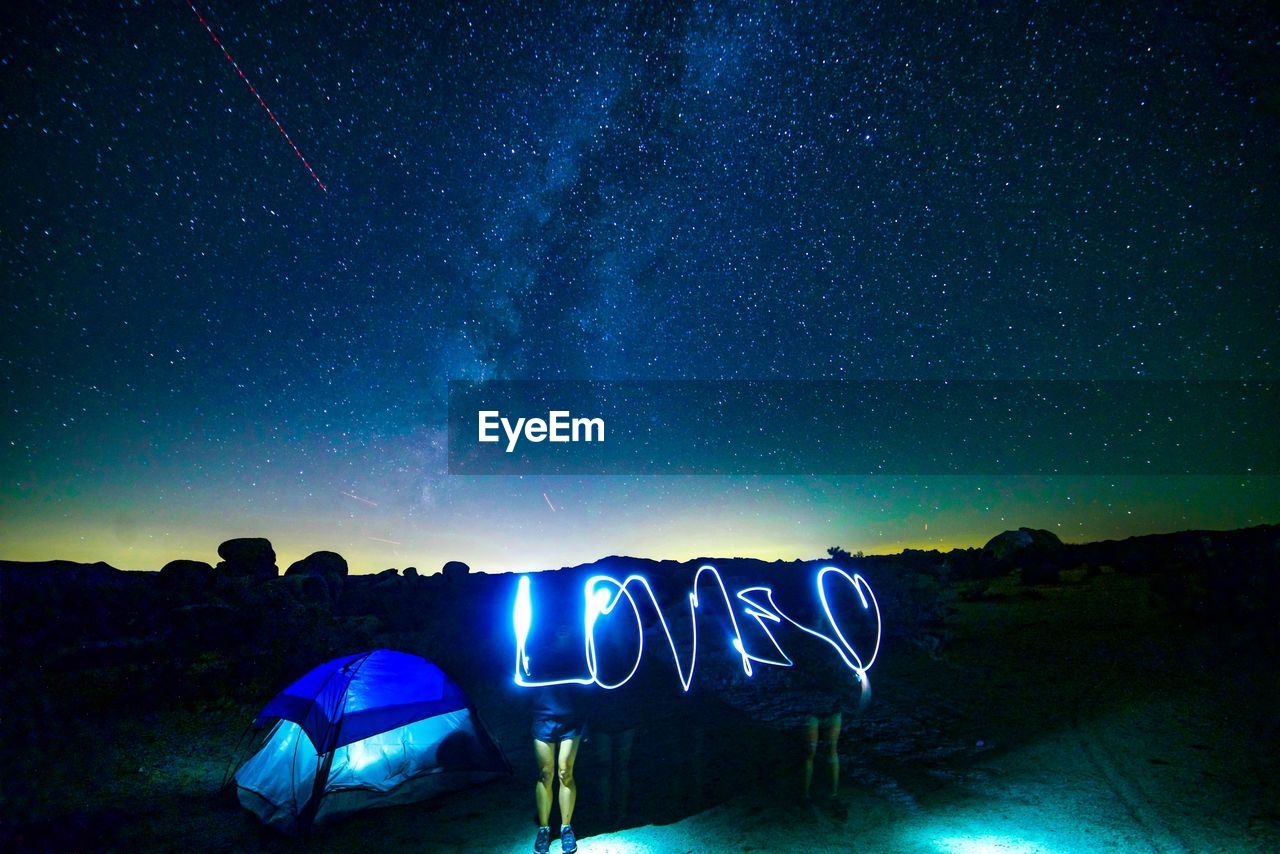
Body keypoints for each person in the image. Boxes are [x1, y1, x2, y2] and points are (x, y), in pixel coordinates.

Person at [529, 624, 588, 854]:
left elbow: (587, 689)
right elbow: (523, 683)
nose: (562, 630)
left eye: (566, 626)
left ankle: (566, 827)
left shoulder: (580, 654)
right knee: (546, 773)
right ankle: (544, 829)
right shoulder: (536, 651)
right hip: (543, 716)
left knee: (565, 772)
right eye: (558, 627)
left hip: (571, 718)